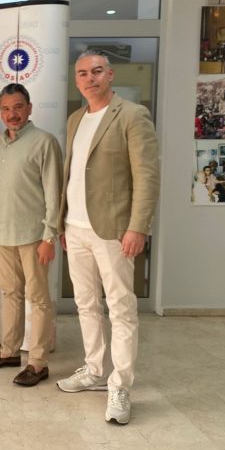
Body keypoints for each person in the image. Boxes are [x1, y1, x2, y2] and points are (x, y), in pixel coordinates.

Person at [56, 51, 160, 425]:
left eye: (97, 71)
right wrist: (63, 223)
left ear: (110, 75)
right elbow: (72, 175)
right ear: (77, 80)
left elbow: (147, 176)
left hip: (114, 230)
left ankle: (120, 386)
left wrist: (138, 227)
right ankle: (94, 371)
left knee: (121, 308)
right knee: (86, 304)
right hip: (76, 228)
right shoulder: (75, 119)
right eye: (83, 73)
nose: (90, 78)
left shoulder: (132, 115)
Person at [0, 83, 62, 386]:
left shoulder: (44, 142)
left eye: (17, 107)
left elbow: (54, 193)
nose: (11, 114)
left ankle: (38, 363)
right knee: (11, 295)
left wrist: (49, 237)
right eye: (5, 108)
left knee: (38, 299)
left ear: (29, 108)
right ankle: (9, 352)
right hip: (3, 235)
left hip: (33, 236)